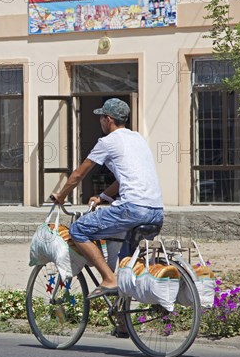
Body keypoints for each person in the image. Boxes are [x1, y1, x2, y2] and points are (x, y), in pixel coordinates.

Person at [50, 98, 164, 300]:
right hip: (155, 211)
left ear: (108, 119)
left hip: (132, 209)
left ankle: (108, 279)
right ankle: (123, 322)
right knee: (126, 263)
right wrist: (102, 197)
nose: (100, 122)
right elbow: (124, 180)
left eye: (101, 117)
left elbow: (79, 174)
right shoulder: (138, 138)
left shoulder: (108, 142)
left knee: (78, 229)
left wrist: (61, 196)